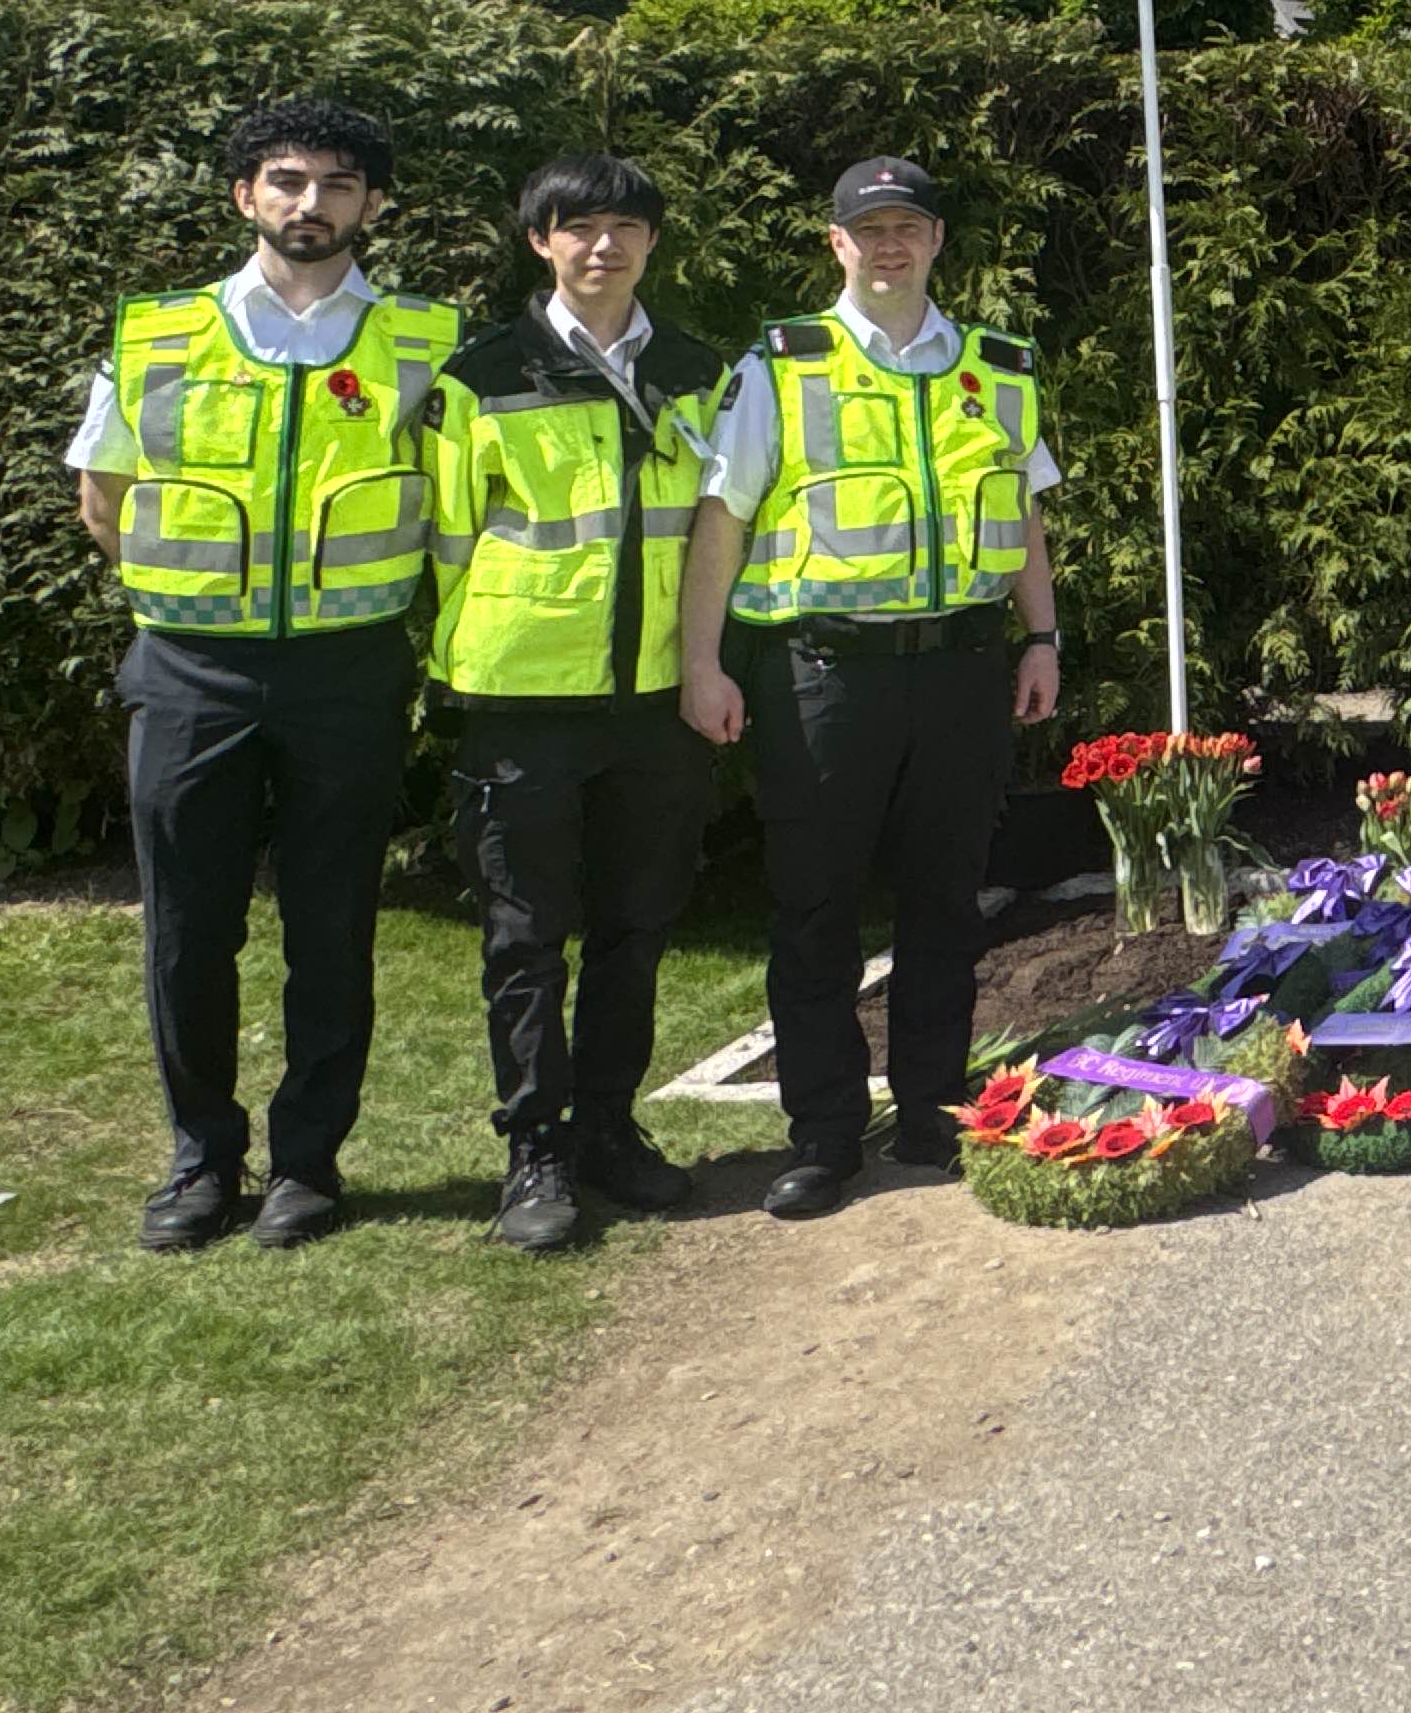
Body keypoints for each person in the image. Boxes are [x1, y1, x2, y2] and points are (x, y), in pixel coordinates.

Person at [67, 98, 462, 1252]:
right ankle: (200, 1161)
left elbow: (453, 501)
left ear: (372, 207)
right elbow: (105, 498)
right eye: (287, 180)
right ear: (246, 196)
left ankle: (308, 1166)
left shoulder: (423, 343)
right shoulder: (157, 335)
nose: (311, 203)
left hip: (349, 671)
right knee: (188, 931)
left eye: (339, 184)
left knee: (332, 925)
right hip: (190, 671)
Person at [679, 157, 1062, 1217]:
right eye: (869, 230)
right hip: (824, 675)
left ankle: (937, 1109)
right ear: (836, 244)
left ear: (938, 241)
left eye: (909, 227)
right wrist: (700, 662)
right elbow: (725, 519)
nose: (890, 246)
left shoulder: (999, 365)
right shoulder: (784, 367)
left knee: (946, 901)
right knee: (816, 910)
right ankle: (825, 1132)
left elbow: (1023, 516)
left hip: (963, 669)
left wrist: (1045, 636)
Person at [425, 153, 733, 1254]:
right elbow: (446, 542)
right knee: (524, 940)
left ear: (653, 243)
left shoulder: (700, 374)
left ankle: (607, 1127)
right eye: (579, 227)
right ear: (540, 242)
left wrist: (703, 664)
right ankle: (535, 1151)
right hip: (519, 702)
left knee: (637, 927)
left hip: (655, 700)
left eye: (626, 227)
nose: (604, 245)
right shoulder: (481, 375)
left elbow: (715, 531)